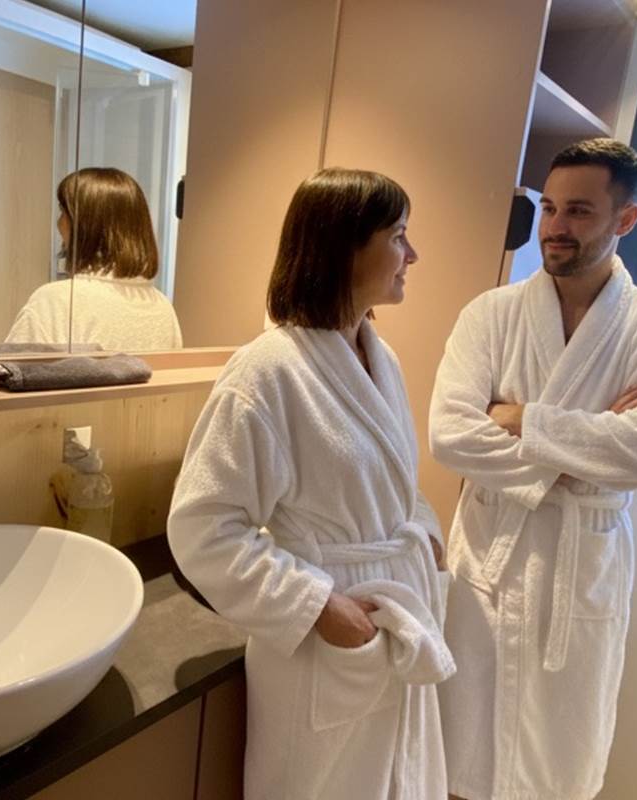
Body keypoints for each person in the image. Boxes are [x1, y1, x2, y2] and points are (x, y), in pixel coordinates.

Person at [168, 167, 453, 799]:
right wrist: (319, 606)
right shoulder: (267, 374)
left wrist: (425, 532)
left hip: (388, 603)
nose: (413, 255)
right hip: (329, 634)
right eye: (399, 235)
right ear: (345, 244)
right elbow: (203, 529)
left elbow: (394, 481)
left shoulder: (381, 358)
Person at [430, 138, 637, 800]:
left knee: (557, 760)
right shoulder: (489, 315)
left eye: (579, 211)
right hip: (488, 561)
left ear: (624, 219)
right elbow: (449, 436)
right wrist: (587, 448)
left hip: (578, 572)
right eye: (549, 207)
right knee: (460, 751)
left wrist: (523, 416)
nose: (554, 227)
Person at [4, 167, 182, 350]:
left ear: (84, 226)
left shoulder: (56, 301)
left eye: (63, 212)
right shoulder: (162, 308)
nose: (59, 223)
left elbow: (8, 373)